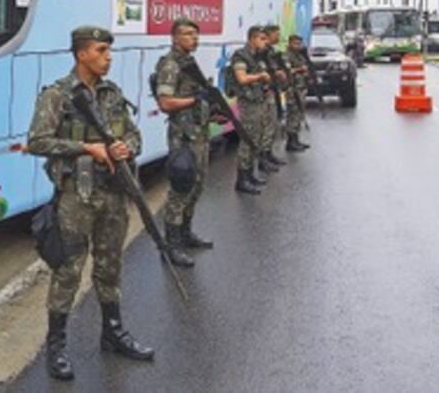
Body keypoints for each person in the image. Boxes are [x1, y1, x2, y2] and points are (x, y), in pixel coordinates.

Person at [27, 26, 154, 381]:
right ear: (81, 54)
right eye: (101, 50)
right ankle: (57, 346)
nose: (108, 56)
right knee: (68, 271)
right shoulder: (57, 95)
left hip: (114, 194)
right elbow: (37, 141)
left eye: (108, 50)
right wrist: (86, 148)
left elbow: (134, 134)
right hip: (76, 197)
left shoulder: (112, 94)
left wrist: (125, 147)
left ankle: (113, 332)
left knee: (110, 265)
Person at [154, 19, 215, 257]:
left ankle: (186, 233)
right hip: (183, 137)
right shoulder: (170, 64)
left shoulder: (188, 62)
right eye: (188, 34)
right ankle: (172, 244)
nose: (194, 38)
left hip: (199, 134)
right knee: (180, 188)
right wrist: (195, 100)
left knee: (197, 186)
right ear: (174, 38)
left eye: (196, 34)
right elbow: (165, 102)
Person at [229, 26, 274, 195]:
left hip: (259, 100)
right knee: (248, 140)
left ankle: (249, 174)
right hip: (248, 103)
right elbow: (241, 78)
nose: (265, 42)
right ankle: (242, 179)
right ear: (252, 39)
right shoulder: (241, 55)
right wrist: (260, 77)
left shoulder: (258, 57)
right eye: (262, 38)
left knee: (257, 137)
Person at [261, 24, 289, 167]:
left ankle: (268, 154)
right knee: (266, 126)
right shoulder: (262, 53)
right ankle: (263, 158)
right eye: (276, 34)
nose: (278, 37)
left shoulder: (272, 51)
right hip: (265, 93)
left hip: (274, 90)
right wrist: (276, 73)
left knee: (273, 124)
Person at [284, 34, 311, 152]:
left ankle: (296, 140)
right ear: (290, 43)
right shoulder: (287, 56)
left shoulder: (299, 55)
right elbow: (286, 71)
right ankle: (290, 142)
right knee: (293, 114)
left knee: (299, 114)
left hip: (301, 88)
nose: (298, 46)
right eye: (295, 43)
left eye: (299, 44)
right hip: (293, 89)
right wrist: (300, 69)